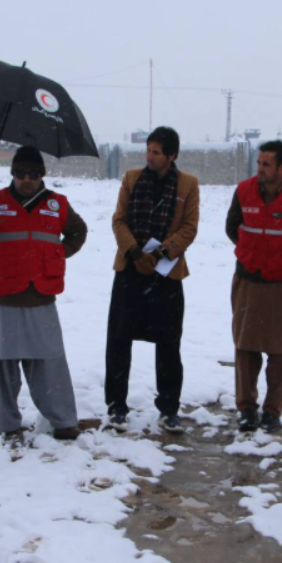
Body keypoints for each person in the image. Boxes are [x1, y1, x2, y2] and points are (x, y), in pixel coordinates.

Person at [0, 146, 87, 440]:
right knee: (5, 366)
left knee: (50, 362)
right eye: (20, 173)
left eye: (33, 173)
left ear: (42, 175)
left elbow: (79, 231)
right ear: (11, 173)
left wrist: (58, 254)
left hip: (42, 295)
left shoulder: (58, 204)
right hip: (5, 295)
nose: (26, 179)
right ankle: (10, 425)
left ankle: (63, 421)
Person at [105, 127, 201, 434]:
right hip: (130, 270)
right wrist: (135, 252)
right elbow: (119, 219)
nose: (149, 156)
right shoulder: (132, 179)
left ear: (171, 155)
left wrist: (159, 253)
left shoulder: (188, 184)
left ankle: (169, 408)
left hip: (166, 273)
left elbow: (189, 228)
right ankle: (117, 406)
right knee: (119, 340)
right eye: (148, 149)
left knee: (169, 343)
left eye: (156, 151)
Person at [225, 140, 282, 434]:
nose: (261, 169)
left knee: (278, 348)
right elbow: (232, 228)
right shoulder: (243, 191)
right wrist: (253, 253)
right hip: (248, 279)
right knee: (245, 345)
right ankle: (247, 408)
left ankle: (272, 411)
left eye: (267, 164)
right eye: (259, 163)